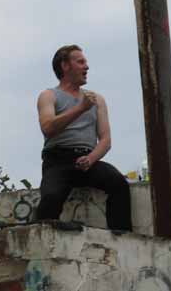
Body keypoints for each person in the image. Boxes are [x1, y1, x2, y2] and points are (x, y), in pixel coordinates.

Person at [35, 44, 132, 231]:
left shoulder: (97, 99)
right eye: (80, 62)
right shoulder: (48, 95)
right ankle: (41, 237)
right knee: (50, 198)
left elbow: (105, 140)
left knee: (119, 184)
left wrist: (90, 159)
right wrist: (80, 108)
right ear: (65, 66)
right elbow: (47, 128)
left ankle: (121, 236)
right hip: (58, 161)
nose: (86, 67)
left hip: (88, 159)